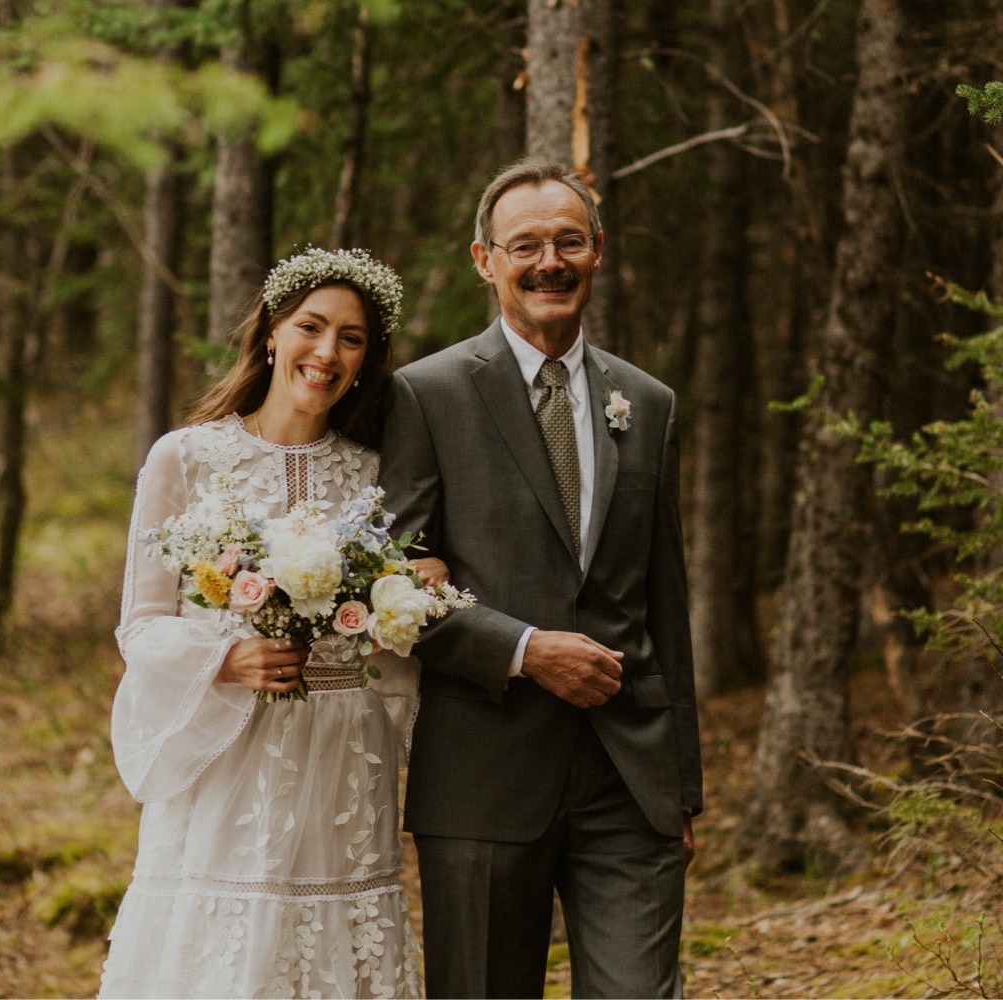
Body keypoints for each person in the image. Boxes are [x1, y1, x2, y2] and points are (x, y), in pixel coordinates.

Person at [378, 160, 703, 998]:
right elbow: (392, 588)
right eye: (525, 245)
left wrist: (681, 785)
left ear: (597, 250)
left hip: (628, 775)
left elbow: (666, 598)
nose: (547, 261)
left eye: (567, 241)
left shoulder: (648, 402)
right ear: (485, 260)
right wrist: (523, 650)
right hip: (484, 769)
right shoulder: (426, 394)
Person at [100, 247, 430, 999]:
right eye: (313, 326)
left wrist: (410, 600)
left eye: (353, 339)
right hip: (231, 752)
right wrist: (226, 659)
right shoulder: (185, 457)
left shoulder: (376, 474)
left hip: (346, 753)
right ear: (273, 331)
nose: (327, 352)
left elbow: (404, 620)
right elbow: (141, 627)